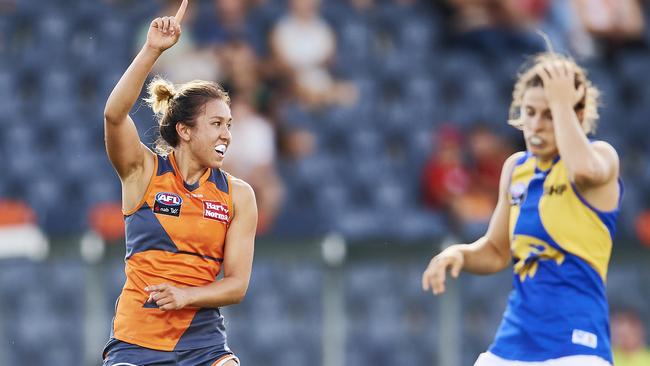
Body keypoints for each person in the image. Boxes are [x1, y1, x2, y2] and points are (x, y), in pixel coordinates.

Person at [422, 51, 622, 366]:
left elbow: (582, 171)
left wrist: (563, 103)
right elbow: (496, 251)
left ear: (577, 115)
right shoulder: (516, 168)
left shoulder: (601, 157)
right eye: (530, 112)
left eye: (550, 115)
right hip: (512, 345)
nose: (535, 126)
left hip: (576, 345)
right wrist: (460, 253)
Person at [101, 1, 257, 365]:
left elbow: (236, 285)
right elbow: (113, 114)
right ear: (184, 131)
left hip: (204, 347)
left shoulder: (238, 194)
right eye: (217, 124)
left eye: (229, 124)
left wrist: (185, 295)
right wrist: (152, 50)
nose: (227, 135)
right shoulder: (144, 172)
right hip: (136, 342)